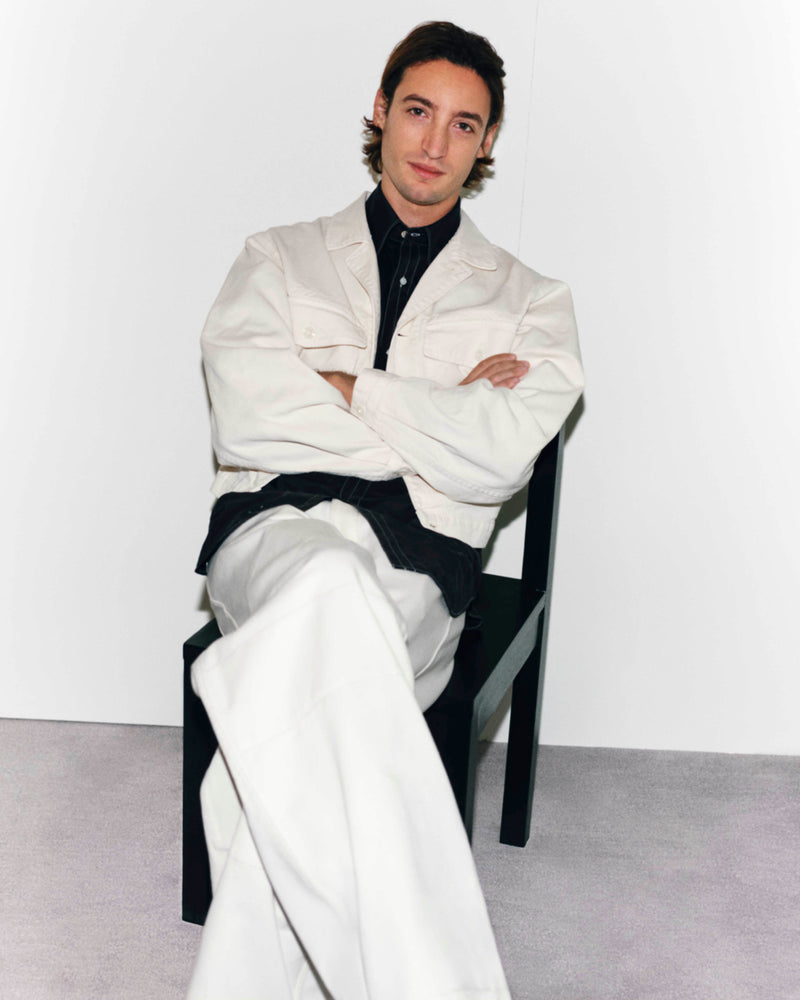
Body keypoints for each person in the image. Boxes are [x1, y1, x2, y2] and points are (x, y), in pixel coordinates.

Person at [187, 20, 583, 1000]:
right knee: (323, 581)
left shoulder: (532, 301)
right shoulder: (278, 257)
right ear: (379, 108)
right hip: (271, 532)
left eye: (463, 124)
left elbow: (500, 458)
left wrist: (346, 388)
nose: (434, 143)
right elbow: (249, 410)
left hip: (419, 566)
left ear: (487, 142)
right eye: (417, 110)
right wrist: (437, 415)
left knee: (321, 637)